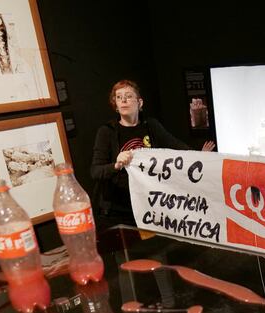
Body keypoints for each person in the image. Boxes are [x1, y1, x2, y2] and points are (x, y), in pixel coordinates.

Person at [90, 79, 215, 226]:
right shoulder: (107, 132)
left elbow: (175, 145)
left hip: (149, 204)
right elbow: (95, 171)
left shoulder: (151, 126)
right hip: (120, 210)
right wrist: (116, 165)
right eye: (119, 97)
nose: (123, 100)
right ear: (116, 105)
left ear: (140, 103)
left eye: (128, 96)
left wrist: (198, 157)